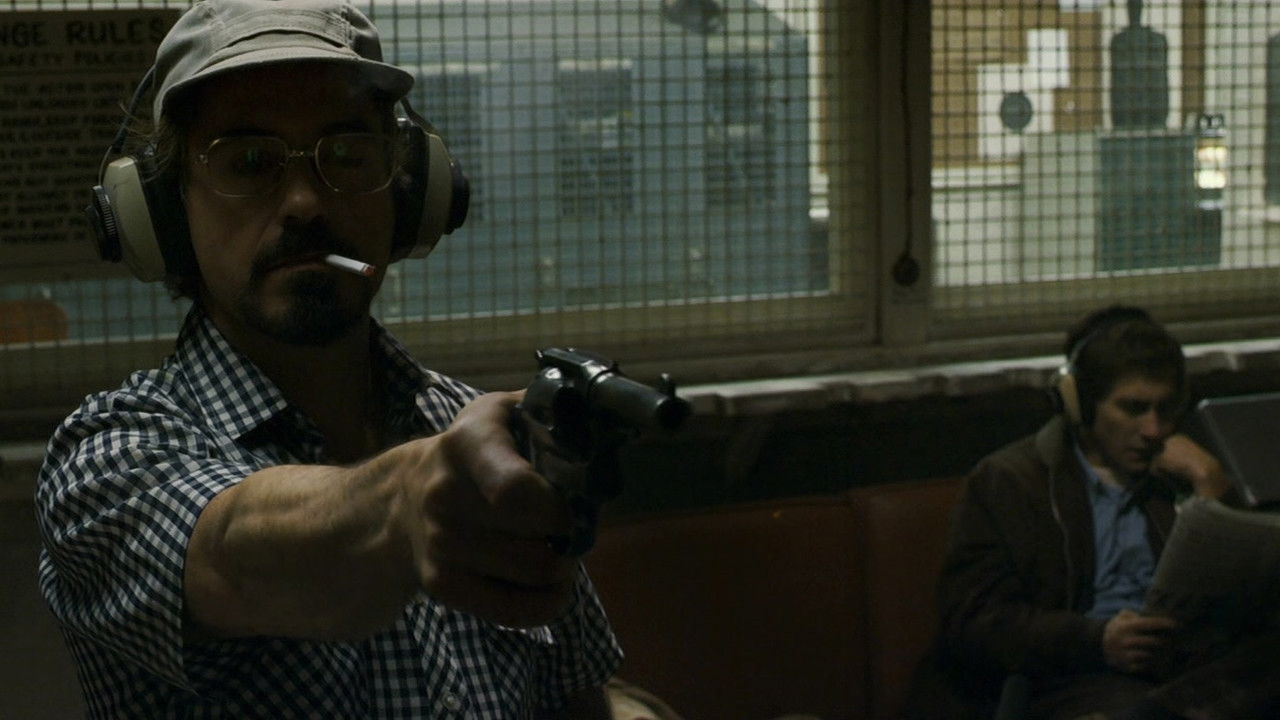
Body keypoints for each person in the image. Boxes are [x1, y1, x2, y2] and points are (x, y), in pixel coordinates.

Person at [35, 0, 621, 716]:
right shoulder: (106, 458)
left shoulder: (475, 434)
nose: (305, 203)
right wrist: (406, 502)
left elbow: (581, 703)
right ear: (163, 213)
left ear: (409, 194)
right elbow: (232, 556)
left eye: (346, 155)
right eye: (248, 162)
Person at [906, 305, 1280, 720]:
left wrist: (1212, 489)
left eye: (1166, 409)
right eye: (1133, 408)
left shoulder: (1183, 476)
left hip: (1183, 667)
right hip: (1074, 674)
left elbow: (1246, 612)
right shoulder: (1011, 481)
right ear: (1081, 405)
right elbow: (974, 622)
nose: (1154, 430)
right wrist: (1096, 639)